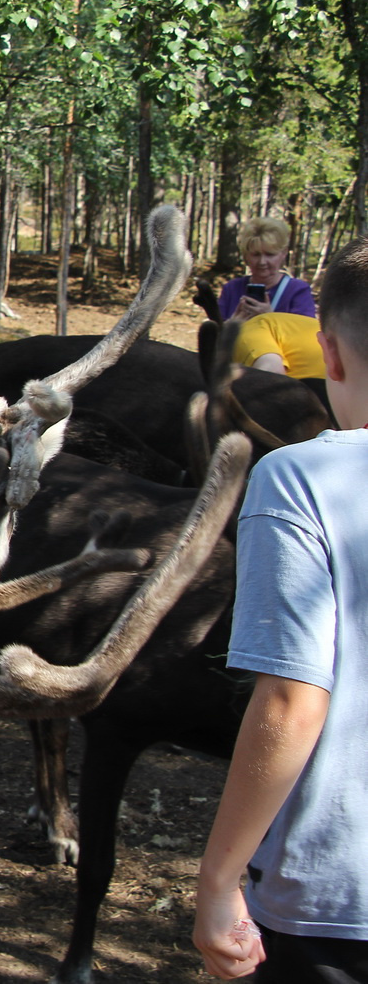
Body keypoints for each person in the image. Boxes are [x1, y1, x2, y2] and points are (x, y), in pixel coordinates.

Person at [192, 234, 368, 981]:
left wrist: (217, 880)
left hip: (333, 898)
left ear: (324, 351)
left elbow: (293, 699)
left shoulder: (300, 481)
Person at [217, 217, 316, 322]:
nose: (262, 262)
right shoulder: (231, 289)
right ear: (246, 256)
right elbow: (214, 333)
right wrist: (232, 325)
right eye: (256, 255)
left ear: (283, 253)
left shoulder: (298, 291)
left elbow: (304, 334)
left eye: (270, 255)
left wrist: (270, 317)